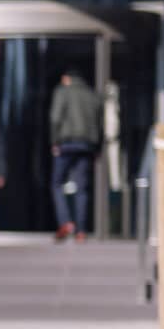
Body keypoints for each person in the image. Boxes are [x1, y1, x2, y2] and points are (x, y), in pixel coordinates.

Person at [49, 69, 102, 242]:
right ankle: (81, 230)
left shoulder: (63, 91)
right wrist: (97, 147)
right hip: (86, 145)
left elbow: (55, 117)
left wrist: (55, 141)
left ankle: (65, 222)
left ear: (66, 78)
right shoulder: (91, 94)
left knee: (57, 183)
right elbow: (98, 123)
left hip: (66, 143)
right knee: (82, 188)